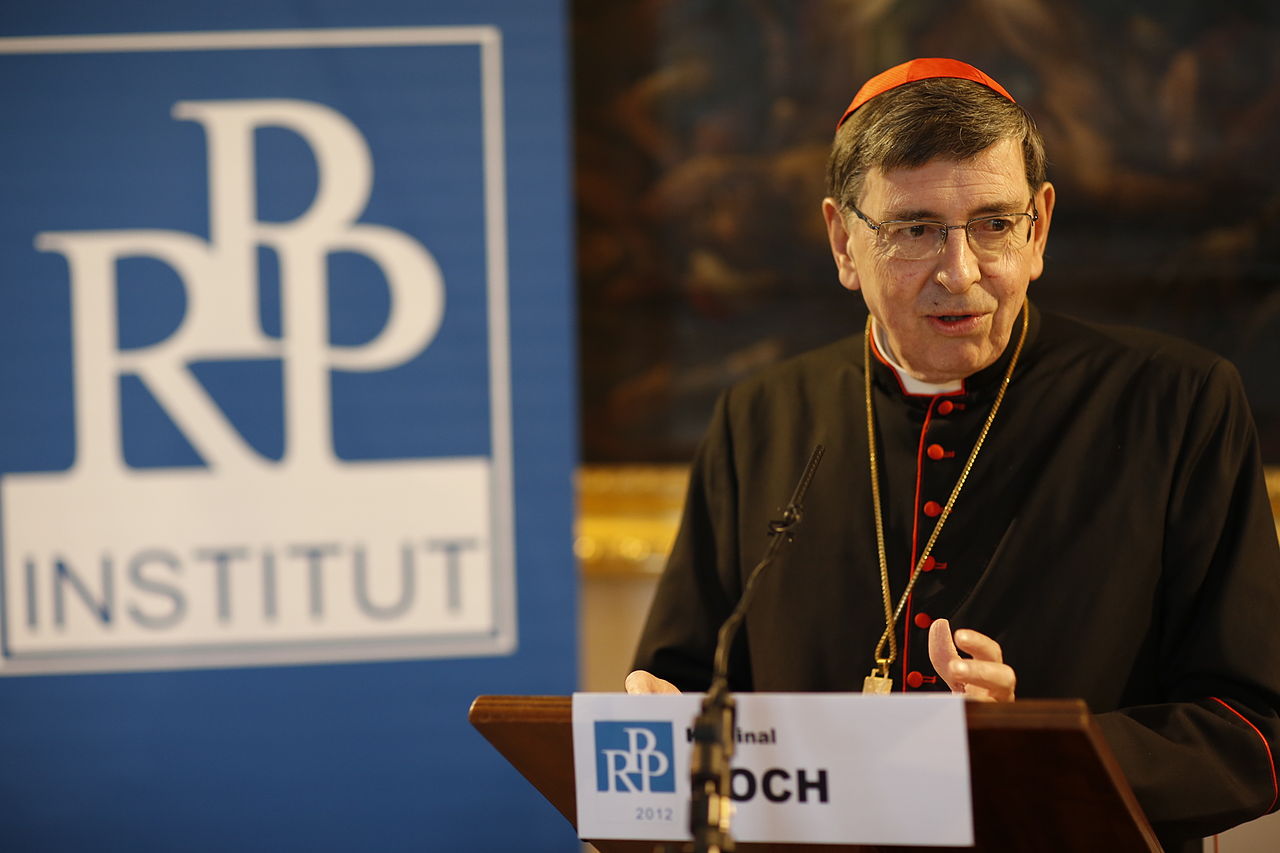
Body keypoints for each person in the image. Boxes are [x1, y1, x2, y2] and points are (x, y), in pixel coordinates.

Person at [625, 58, 1280, 851]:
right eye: (914, 229)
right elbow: (685, 685)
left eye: (994, 224)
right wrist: (661, 727)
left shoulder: (1175, 403)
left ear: (1039, 227)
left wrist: (1035, 753)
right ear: (842, 241)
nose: (961, 272)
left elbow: (1252, 727)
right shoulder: (759, 417)